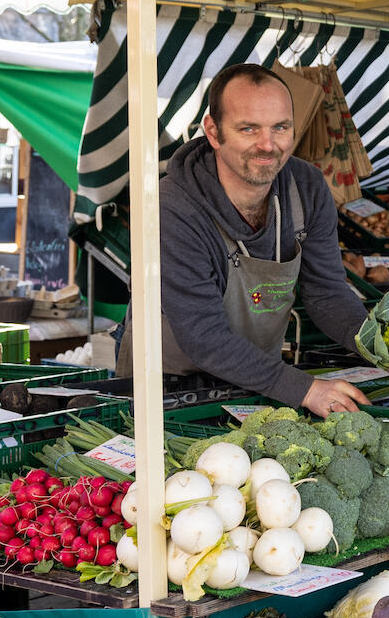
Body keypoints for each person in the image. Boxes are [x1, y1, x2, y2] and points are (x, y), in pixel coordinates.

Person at [140, 61, 372, 415]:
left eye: (281, 127)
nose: (268, 145)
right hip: (167, 391)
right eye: (249, 129)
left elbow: (327, 292)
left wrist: (380, 345)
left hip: (258, 381)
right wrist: (305, 388)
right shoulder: (174, 209)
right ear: (213, 132)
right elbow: (203, 336)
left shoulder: (308, 188)